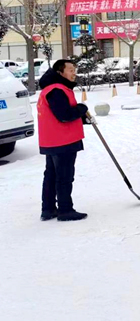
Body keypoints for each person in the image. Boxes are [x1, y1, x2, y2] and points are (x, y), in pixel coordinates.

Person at [38, 60, 92, 222]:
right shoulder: (57, 90)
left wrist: (79, 117)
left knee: (52, 174)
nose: (73, 72)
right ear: (60, 73)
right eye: (70, 70)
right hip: (63, 140)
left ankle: (48, 209)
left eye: (74, 69)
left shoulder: (51, 89)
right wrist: (81, 109)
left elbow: (58, 114)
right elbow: (64, 115)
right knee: (64, 176)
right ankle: (65, 210)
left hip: (52, 139)